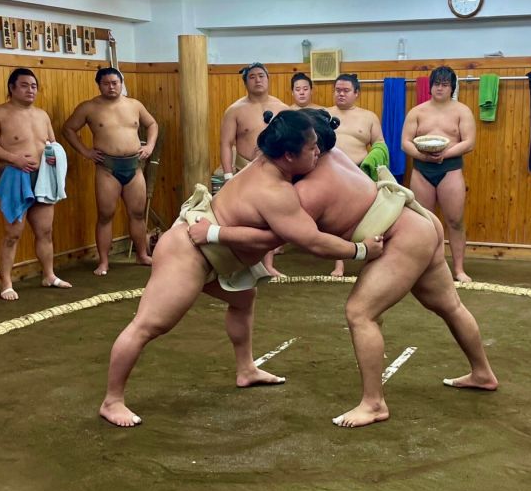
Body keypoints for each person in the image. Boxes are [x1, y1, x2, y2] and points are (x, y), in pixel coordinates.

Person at [194, 108, 498, 429]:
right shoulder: (334, 155)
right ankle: (482, 373)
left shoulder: (307, 190)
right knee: (449, 305)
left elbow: (288, 237)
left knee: (360, 312)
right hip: (420, 221)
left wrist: (215, 233)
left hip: (401, 238)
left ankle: (374, 404)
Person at [99, 110, 384, 427]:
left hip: (217, 252)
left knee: (242, 300)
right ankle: (112, 401)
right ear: (289, 155)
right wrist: (360, 250)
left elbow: (276, 235)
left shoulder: (268, 160)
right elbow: (312, 241)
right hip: (190, 253)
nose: (318, 152)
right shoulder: (276, 193)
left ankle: (246, 369)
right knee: (149, 325)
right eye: (312, 148)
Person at [0, 68, 71, 300]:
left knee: (45, 231)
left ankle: (49, 275)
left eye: (33, 86)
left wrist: (54, 155)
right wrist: (14, 159)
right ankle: (7, 283)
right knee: (13, 234)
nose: (30, 90)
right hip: (15, 177)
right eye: (24, 85)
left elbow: (52, 142)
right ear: (11, 88)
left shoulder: (42, 114)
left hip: (43, 177)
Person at [62, 67, 158, 276]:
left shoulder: (134, 105)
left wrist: (149, 146)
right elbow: (68, 128)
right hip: (107, 168)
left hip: (134, 166)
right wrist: (86, 152)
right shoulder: (89, 107)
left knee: (138, 214)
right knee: (106, 215)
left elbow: (152, 124)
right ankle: (104, 262)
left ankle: (142, 255)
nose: (111, 87)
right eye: (106, 83)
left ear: (121, 83)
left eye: (115, 82)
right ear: (99, 85)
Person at [401, 66, 476, 283]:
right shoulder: (417, 112)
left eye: (445, 84)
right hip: (421, 169)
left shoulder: (462, 111)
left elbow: (469, 142)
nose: (440, 88)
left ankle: (459, 269)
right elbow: (405, 142)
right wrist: (423, 157)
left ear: (452, 87)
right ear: (430, 86)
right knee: (424, 222)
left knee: (455, 220)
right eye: (436, 84)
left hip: (450, 169)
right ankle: (425, 267)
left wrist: (444, 155)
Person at [219, 62, 289, 276]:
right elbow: (225, 143)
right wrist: (228, 174)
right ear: (245, 82)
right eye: (252, 77)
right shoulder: (235, 110)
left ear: (268, 79)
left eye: (261, 76)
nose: (258, 80)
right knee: (240, 218)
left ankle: (267, 265)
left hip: (272, 168)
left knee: (269, 219)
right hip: (243, 168)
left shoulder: (282, 108)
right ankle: (237, 264)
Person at [326, 73, 387, 276]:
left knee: (371, 219)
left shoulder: (368, 117)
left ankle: (373, 259)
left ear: (356, 93)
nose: (341, 94)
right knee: (334, 220)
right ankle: (338, 264)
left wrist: (372, 160)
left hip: (360, 173)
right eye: (337, 90)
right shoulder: (324, 115)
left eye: (345, 91)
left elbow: (380, 144)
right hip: (332, 173)